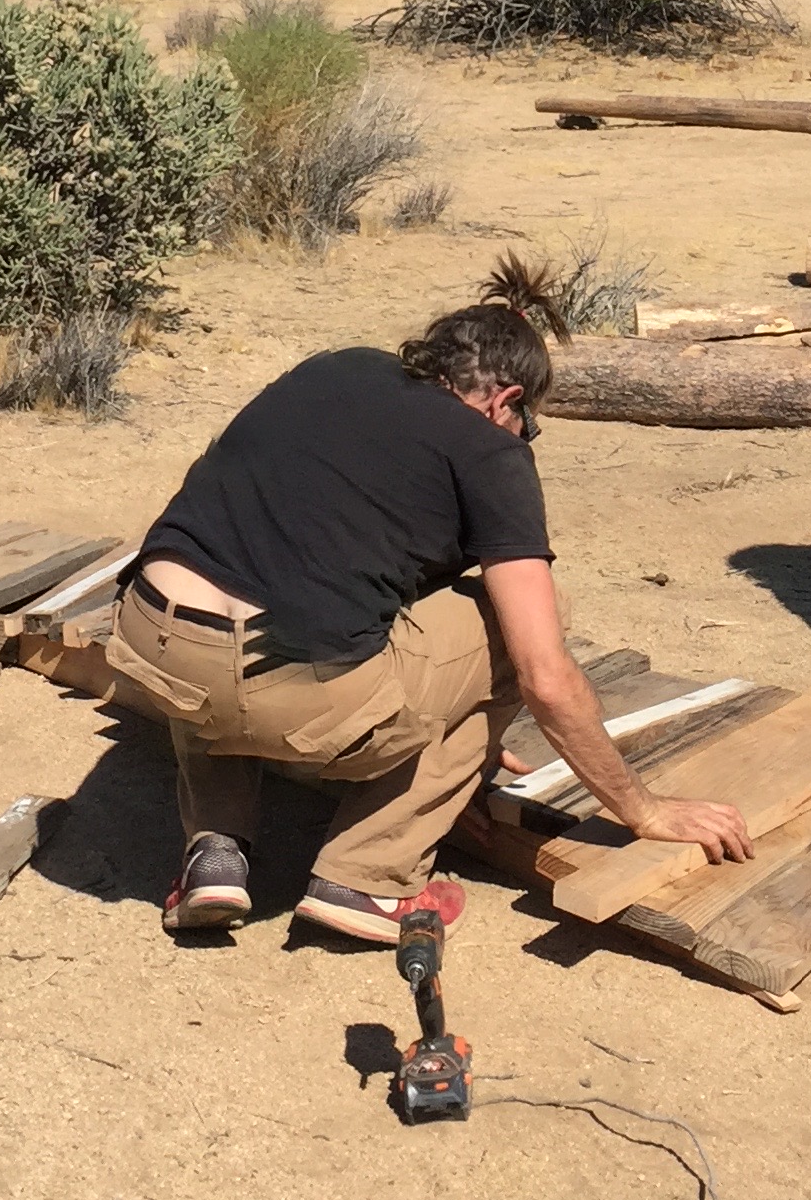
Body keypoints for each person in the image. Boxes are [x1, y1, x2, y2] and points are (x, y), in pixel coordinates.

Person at [116, 295, 750, 945]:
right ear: (503, 400)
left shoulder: (331, 370)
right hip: (286, 689)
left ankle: (215, 852)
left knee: (244, 580)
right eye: (528, 423)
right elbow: (546, 679)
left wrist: (454, 718)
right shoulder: (488, 452)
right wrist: (642, 809)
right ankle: (367, 876)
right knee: (527, 624)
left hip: (151, 643)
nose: (524, 439)